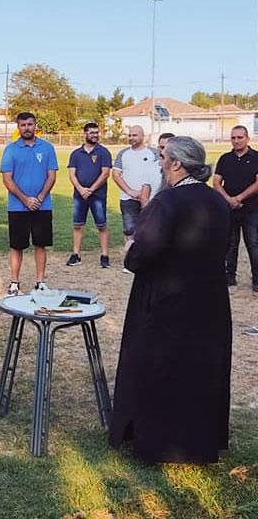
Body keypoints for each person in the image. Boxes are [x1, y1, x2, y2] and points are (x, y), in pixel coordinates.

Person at [109, 136, 231, 464]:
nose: (160, 163)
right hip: (209, 300)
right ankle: (197, 442)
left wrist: (130, 252)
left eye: (163, 157)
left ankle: (160, 443)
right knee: (198, 370)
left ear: (176, 163)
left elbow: (143, 252)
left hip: (167, 299)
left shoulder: (167, 202)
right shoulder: (217, 201)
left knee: (162, 366)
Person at [0, 112, 58, 296]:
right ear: (18, 127)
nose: (27, 128)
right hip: (17, 207)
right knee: (17, 246)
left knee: (40, 244)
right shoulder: (10, 150)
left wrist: (39, 198)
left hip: (43, 206)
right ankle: (14, 283)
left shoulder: (47, 148)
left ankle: (40, 282)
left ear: (35, 125)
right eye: (23, 125)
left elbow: (52, 176)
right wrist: (25, 199)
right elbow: (7, 179)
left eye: (30, 124)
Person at [214, 125, 258, 290]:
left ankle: (257, 279)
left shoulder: (256, 157)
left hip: (252, 209)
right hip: (229, 209)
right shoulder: (225, 159)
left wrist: (239, 198)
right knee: (230, 244)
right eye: (233, 138)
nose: (236, 141)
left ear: (247, 138)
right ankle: (229, 277)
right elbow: (216, 182)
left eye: (240, 137)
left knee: (253, 244)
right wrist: (229, 199)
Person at [112, 126, 160, 271]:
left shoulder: (153, 153)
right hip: (128, 198)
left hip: (150, 198)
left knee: (150, 230)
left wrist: (145, 193)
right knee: (129, 230)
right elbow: (116, 175)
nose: (131, 138)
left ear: (142, 136)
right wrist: (130, 191)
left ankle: (149, 260)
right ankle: (130, 262)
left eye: (135, 135)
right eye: (130, 135)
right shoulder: (123, 154)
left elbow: (160, 173)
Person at [66, 122, 113, 269]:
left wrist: (91, 190)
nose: (95, 135)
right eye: (92, 132)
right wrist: (81, 189)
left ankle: (104, 256)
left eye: (96, 132)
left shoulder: (103, 152)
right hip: (79, 196)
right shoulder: (76, 154)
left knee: (101, 225)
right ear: (85, 133)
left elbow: (105, 173)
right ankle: (76, 255)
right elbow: (72, 174)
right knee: (78, 225)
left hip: (98, 196)